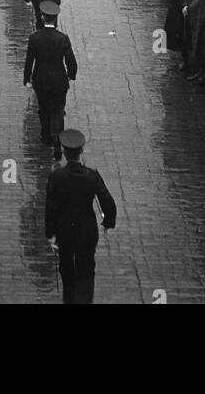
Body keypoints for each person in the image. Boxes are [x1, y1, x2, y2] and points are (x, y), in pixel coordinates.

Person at [44, 128, 117, 305]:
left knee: (67, 269)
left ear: (65, 152)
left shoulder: (57, 176)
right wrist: (108, 222)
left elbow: (50, 207)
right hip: (87, 230)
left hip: (65, 230)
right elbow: (107, 201)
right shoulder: (92, 176)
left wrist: (50, 233)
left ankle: (70, 300)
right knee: (86, 270)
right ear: (81, 151)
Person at [23, 0, 78, 160]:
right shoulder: (63, 38)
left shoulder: (35, 38)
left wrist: (27, 79)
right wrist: (71, 75)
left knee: (44, 108)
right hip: (59, 81)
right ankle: (58, 139)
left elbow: (29, 61)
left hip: (41, 81)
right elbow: (71, 61)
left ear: (42, 16)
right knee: (58, 110)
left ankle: (46, 136)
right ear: (55, 19)